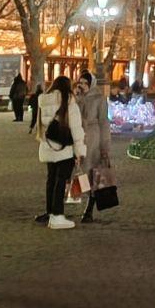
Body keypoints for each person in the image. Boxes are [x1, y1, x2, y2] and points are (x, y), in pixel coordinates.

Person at [35, 74, 80, 229]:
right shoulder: (68, 100)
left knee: (51, 179)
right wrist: (79, 149)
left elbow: (39, 125)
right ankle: (57, 215)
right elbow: (75, 127)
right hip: (64, 148)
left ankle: (50, 212)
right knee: (61, 180)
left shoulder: (43, 99)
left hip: (48, 145)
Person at [74, 74, 118, 223]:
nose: (82, 85)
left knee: (92, 174)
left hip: (93, 138)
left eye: (85, 82)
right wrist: (77, 99)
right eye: (80, 82)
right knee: (80, 173)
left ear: (91, 84)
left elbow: (104, 122)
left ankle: (89, 208)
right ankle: (85, 198)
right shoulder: (77, 98)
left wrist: (105, 146)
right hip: (79, 137)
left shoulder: (99, 99)